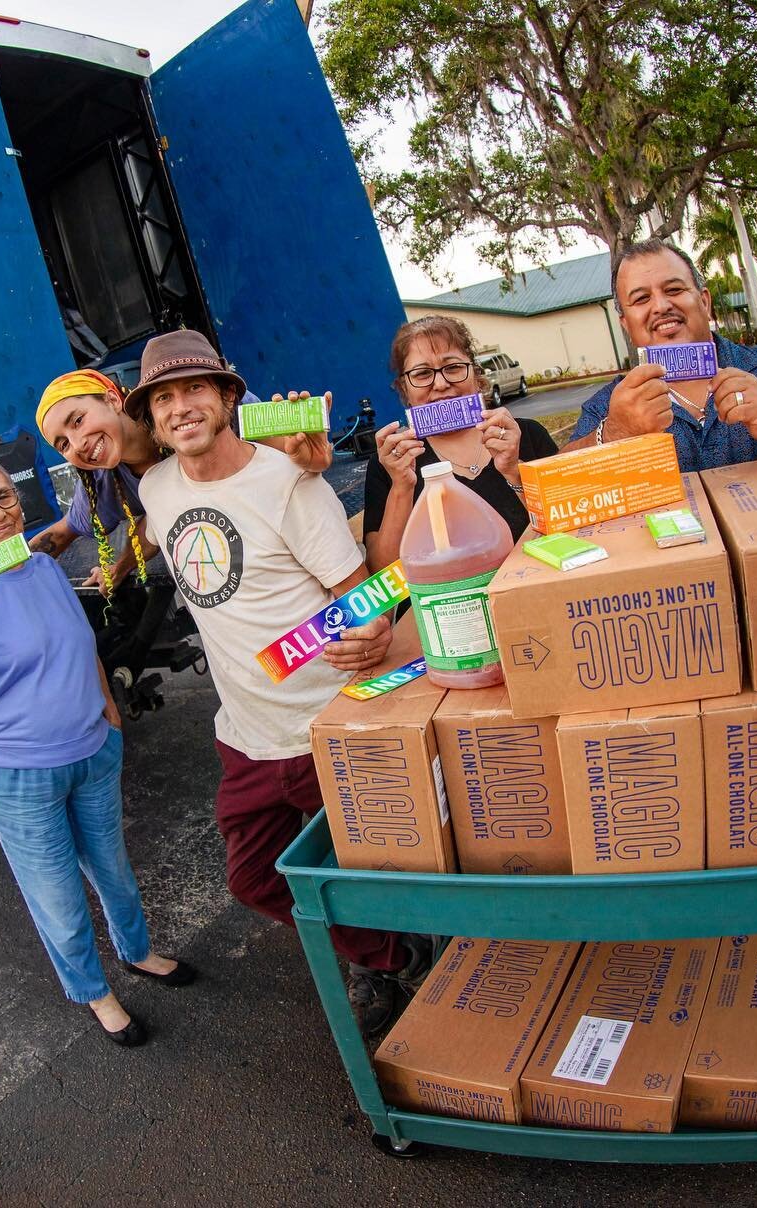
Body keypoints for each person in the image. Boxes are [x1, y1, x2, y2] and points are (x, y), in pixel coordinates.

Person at [123, 330, 431, 1037]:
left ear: (231, 397)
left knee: (376, 865)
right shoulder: (157, 489)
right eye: (164, 398)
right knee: (253, 879)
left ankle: (389, 959)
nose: (181, 407)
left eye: (195, 388)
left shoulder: (289, 480)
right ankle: (387, 955)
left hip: (327, 722)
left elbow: (361, 592)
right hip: (248, 737)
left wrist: (373, 630)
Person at [0, 459, 193, 1048]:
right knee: (58, 897)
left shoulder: (43, 566)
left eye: (5, 498)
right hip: (17, 773)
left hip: (92, 751)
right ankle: (94, 991)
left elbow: (79, 642)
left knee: (114, 870)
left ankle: (138, 952)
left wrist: (110, 713)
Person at [563, 240, 757, 470]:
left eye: (674, 290)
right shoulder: (610, 405)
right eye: (642, 298)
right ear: (626, 324)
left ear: (704, 301)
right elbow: (557, 490)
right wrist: (618, 432)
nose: (661, 306)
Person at [31, 368, 333, 594]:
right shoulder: (105, 483)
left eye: (78, 421)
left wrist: (309, 456)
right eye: (63, 445)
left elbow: (299, 451)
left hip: (287, 547)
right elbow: (64, 532)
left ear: (112, 399)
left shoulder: (206, 415)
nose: (78, 443)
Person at [364, 315, 557, 571]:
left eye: (453, 368)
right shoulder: (391, 462)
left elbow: (568, 531)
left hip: (531, 590)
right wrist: (401, 486)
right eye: (422, 374)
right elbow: (383, 573)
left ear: (476, 376)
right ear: (404, 389)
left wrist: (514, 471)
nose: (441, 384)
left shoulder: (527, 436)